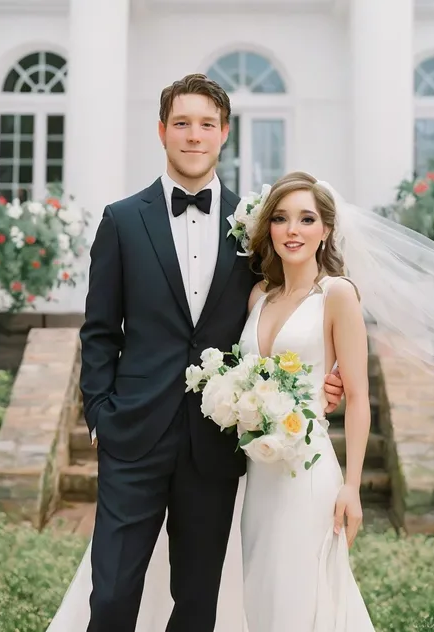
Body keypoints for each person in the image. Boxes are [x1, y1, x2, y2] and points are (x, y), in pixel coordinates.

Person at [45, 75, 343, 632]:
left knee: (198, 600)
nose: (193, 135)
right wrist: (100, 415)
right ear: (162, 131)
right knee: (110, 594)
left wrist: (323, 378)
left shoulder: (257, 226)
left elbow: (286, 308)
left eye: (207, 124)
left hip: (215, 439)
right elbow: (100, 330)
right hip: (132, 433)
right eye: (181, 123)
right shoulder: (122, 220)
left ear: (224, 133)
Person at [239, 172, 375, 631]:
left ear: (326, 231)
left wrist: (352, 489)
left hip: (309, 469)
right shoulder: (260, 295)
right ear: (268, 229)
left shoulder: (337, 294)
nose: (292, 229)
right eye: (280, 218)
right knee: (260, 591)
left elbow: (357, 398)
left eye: (306, 218)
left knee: (302, 592)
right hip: (257, 472)